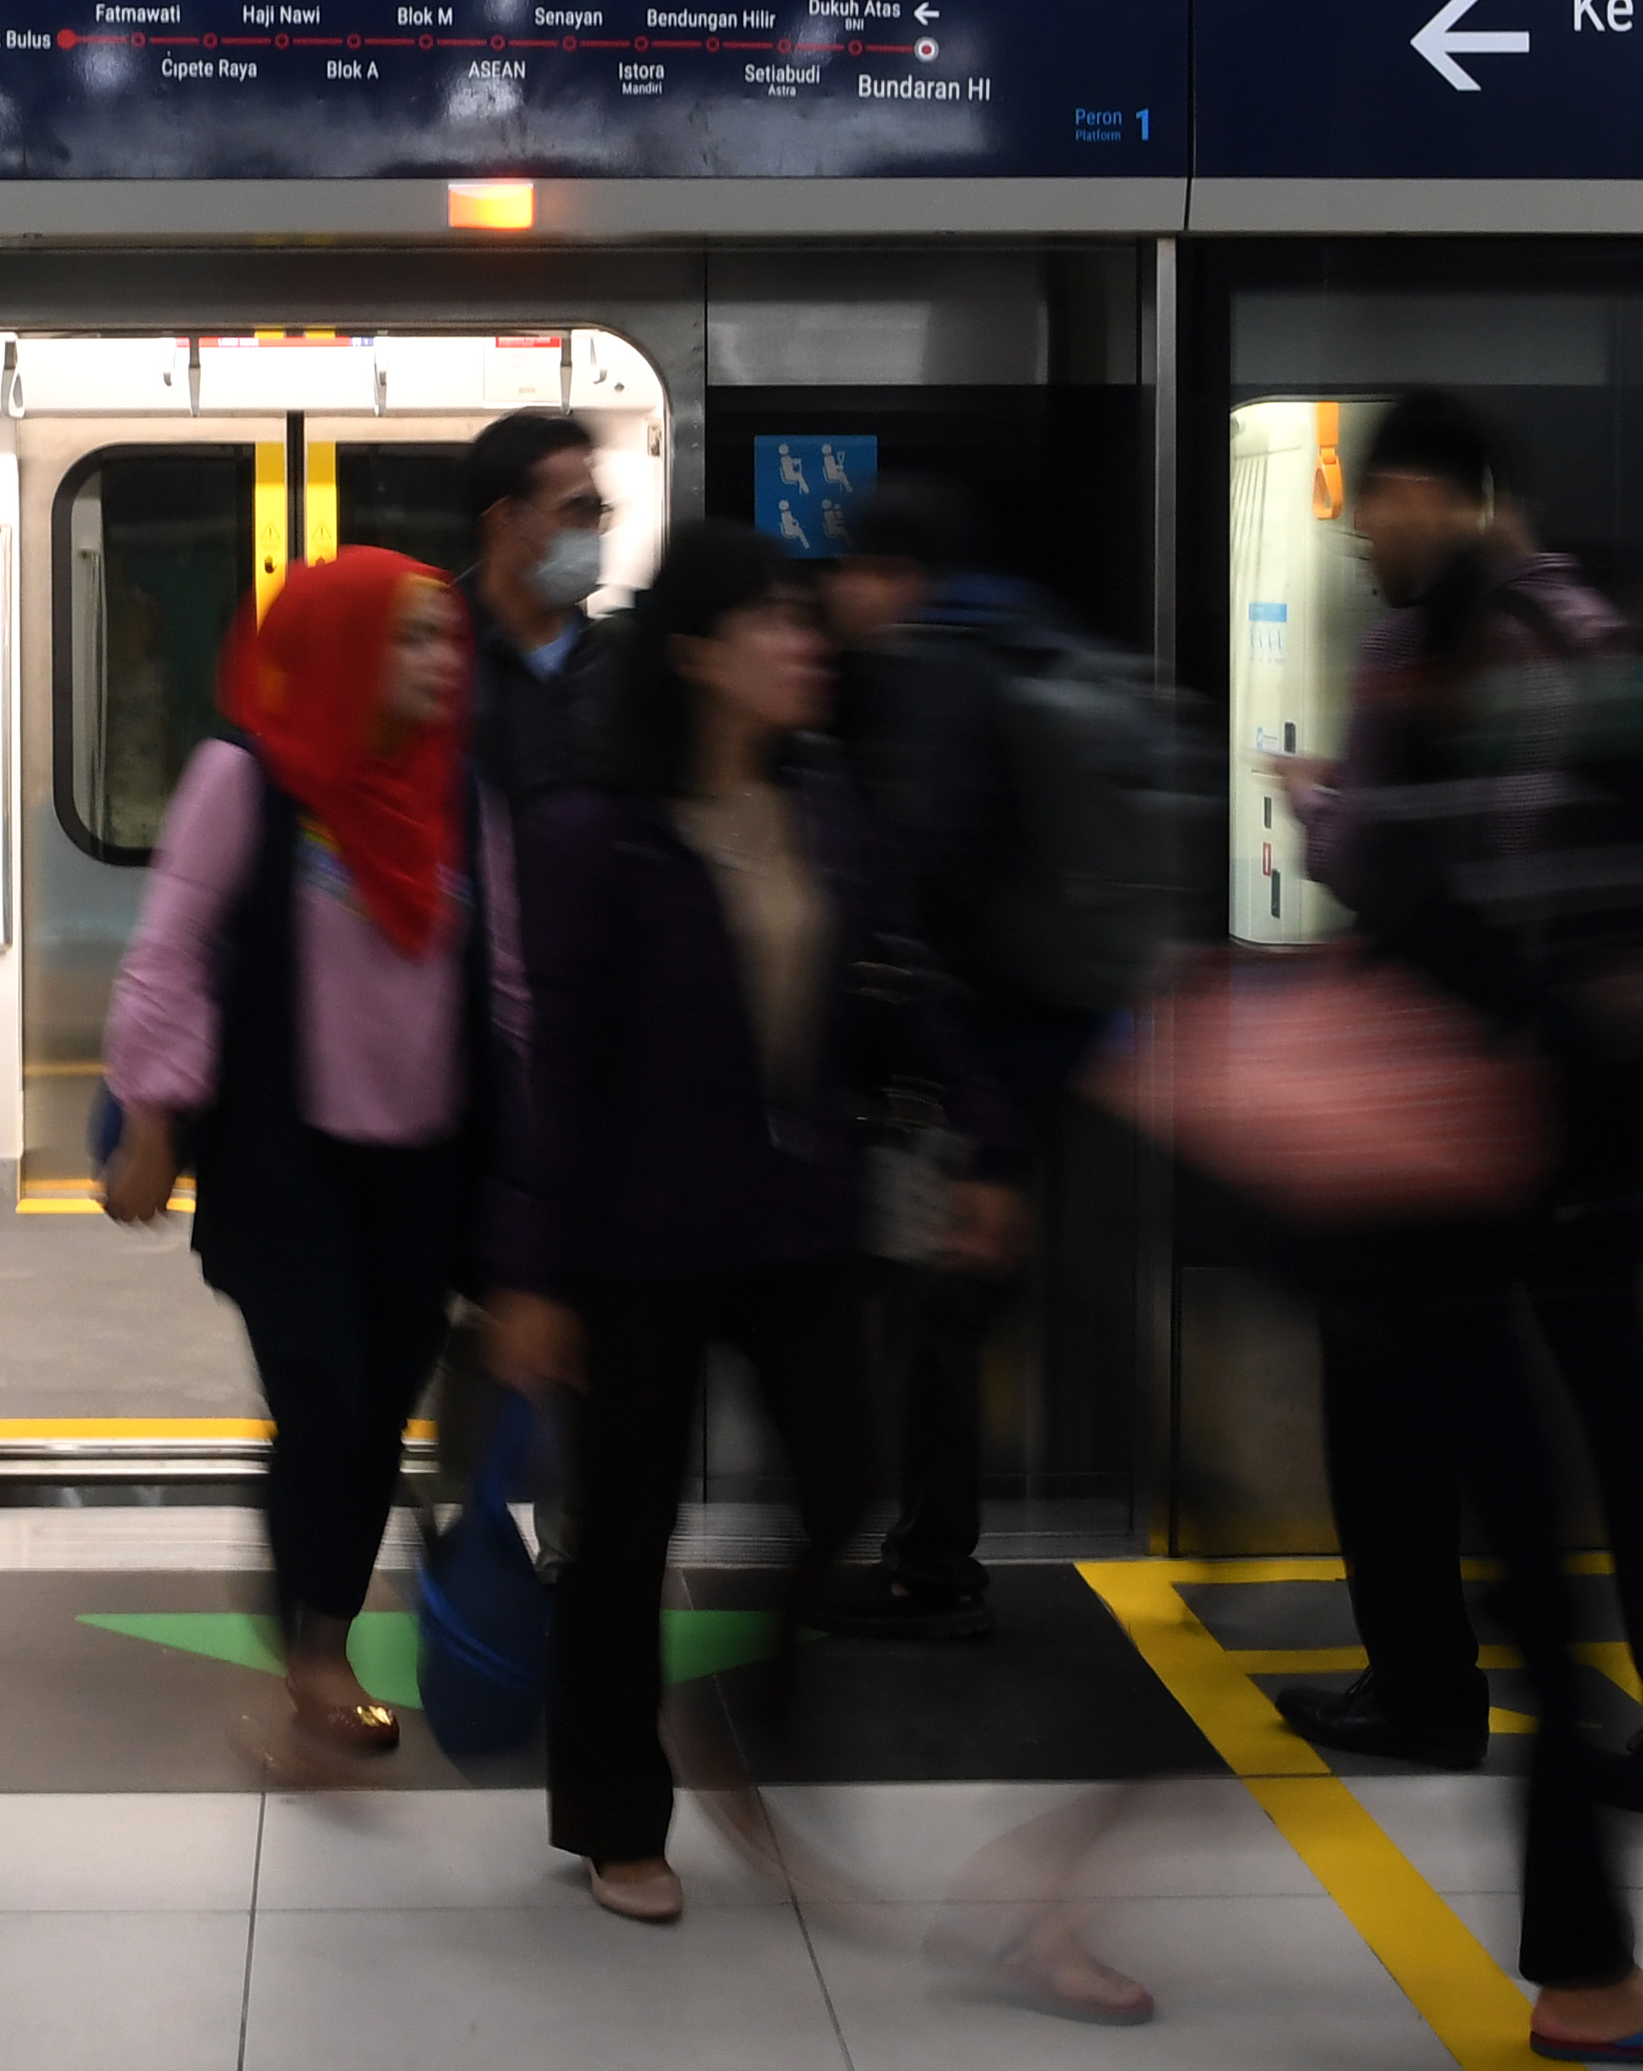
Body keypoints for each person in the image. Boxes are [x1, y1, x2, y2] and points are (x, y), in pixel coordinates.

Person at [1266, 393, 1643, 2071]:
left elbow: (1428, 880)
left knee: (1510, 1491)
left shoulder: (1453, 651)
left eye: (1371, 506)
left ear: (1430, 495)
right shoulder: (1588, 629)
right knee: (1596, 1455)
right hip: (1571, 1133)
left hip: (1476, 1143)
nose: (1358, 538)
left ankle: (1451, 1701)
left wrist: (1328, 812)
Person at [495, 523, 1053, 1938]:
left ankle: (733, 1715)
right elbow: (549, 1065)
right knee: (620, 1538)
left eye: (809, 623)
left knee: (846, 1473)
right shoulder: (595, 830)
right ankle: (619, 1819)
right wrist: (532, 1270)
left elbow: (907, 990)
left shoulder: (829, 804)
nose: (808, 645)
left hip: (795, 1219)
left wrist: (989, 1140)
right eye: (774, 625)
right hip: (631, 1241)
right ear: (696, 656)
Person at [101, 550, 515, 1756]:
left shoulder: (461, 797)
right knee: (328, 1398)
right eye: (411, 638)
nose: (442, 662)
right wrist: (152, 1114)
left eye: (446, 639)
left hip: (423, 1163)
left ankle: (313, 1606)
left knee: (379, 1409)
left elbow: (511, 986)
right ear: (341, 646)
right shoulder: (250, 777)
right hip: (286, 1161)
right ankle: (319, 1650)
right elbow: (168, 949)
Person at [821, 480, 1195, 1638]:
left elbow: (925, 870)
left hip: (977, 1056)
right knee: (988, 1300)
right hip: (1067, 1035)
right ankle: (1158, 1482)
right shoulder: (1040, 647)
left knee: (935, 1316)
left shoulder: (939, 668)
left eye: (851, 570)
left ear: (893, 575)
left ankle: (930, 1562)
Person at [460, 409, 616, 819]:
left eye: (598, 511)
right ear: (505, 521)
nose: (593, 531)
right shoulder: (440, 652)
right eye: (576, 510)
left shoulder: (616, 662)